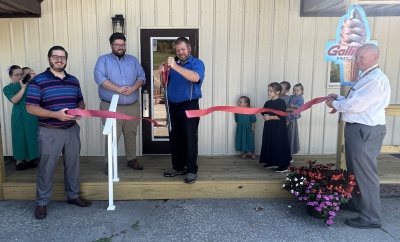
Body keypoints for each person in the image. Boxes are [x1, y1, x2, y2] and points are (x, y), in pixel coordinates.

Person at [326, 43, 390, 229]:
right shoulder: (367, 76)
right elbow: (355, 100)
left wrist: (335, 105)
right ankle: (358, 203)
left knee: (366, 174)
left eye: (361, 57)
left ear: (374, 57)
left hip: (365, 130)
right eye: (356, 57)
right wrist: (338, 99)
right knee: (355, 171)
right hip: (358, 128)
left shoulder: (375, 80)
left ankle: (371, 217)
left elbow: (355, 106)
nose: (357, 60)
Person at [26, 46, 91, 220]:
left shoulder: (73, 80)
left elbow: (81, 103)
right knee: (47, 167)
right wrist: (56, 115)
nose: (59, 60)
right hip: (49, 131)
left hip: (71, 130)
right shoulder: (38, 81)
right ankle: (41, 202)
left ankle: (73, 195)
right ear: (49, 59)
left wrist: (79, 111)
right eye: (55, 57)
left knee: (73, 164)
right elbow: (31, 108)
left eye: (62, 57)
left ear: (66, 60)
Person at [94, 33, 146, 174]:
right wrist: (118, 89)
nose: (120, 47)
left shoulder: (133, 60)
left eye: (122, 44)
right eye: (117, 44)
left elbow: (142, 77)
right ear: (111, 45)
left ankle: (132, 159)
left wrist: (133, 88)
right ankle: (110, 164)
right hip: (111, 105)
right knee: (112, 135)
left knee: (131, 134)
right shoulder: (103, 60)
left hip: (132, 105)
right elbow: (99, 78)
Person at [160, 37, 205, 184]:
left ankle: (191, 170)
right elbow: (165, 84)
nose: (180, 52)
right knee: (176, 139)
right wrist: (162, 74)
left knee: (190, 139)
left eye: (183, 49)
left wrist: (175, 66)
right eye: (178, 50)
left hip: (190, 106)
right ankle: (178, 167)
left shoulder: (197, 63)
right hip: (174, 106)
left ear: (189, 49)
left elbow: (195, 77)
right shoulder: (174, 65)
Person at [3, 65, 39, 170]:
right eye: (16, 75)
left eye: (21, 74)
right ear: (10, 75)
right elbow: (14, 100)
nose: (19, 77)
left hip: (31, 114)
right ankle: (19, 160)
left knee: (30, 135)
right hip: (18, 115)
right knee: (19, 136)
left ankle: (29, 158)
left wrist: (33, 77)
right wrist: (22, 88)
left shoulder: (29, 85)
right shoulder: (7, 88)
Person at [259, 82, 292, 173]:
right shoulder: (268, 102)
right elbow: (263, 111)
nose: (268, 92)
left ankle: (283, 165)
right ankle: (271, 161)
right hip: (269, 126)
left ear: (277, 92)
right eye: (268, 90)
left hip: (278, 127)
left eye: (271, 91)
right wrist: (265, 116)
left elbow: (281, 116)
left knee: (278, 144)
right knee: (269, 142)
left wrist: (269, 117)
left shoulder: (281, 102)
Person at [286, 83, 305, 157]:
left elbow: (301, 106)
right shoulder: (292, 96)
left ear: (301, 91)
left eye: (297, 90)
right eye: (294, 90)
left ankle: (290, 154)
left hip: (293, 114)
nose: (295, 92)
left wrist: (294, 106)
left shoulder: (300, 98)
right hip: (288, 113)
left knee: (291, 133)